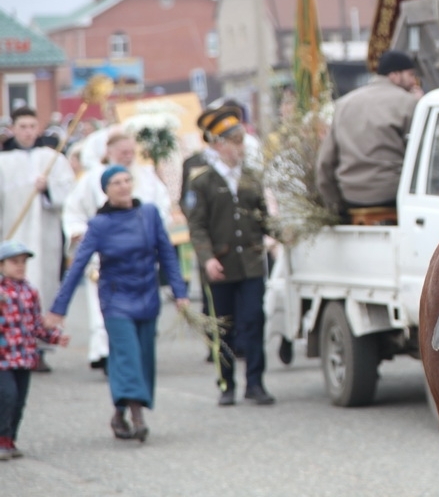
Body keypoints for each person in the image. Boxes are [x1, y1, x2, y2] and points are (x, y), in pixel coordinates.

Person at [47, 166, 188, 442]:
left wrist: (179, 292)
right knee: (127, 355)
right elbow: (77, 266)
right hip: (117, 299)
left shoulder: (149, 214)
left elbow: (167, 255)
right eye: (116, 183)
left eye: (127, 180)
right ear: (106, 190)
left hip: (147, 294)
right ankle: (137, 416)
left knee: (143, 358)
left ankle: (118, 413)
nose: (123, 186)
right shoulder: (99, 225)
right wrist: (58, 309)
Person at [185, 106, 275, 406]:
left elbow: (263, 218)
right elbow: (197, 226)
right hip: (220, 266)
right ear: (218, 144)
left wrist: (282, 233)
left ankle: (255, 383)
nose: (241, 147)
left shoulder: (251, 177)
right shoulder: (202, 181)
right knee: (222, 327)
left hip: (250, 264)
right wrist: (207, 258)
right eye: (235, 142)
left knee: (254, 321)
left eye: (241, 141)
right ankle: (226, 383)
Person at [63, 130, 173, 373]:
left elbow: (162, 208)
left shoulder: (147, 177)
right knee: (106, 311)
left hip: (141, 258)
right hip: (105, 258)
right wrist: (78, 231)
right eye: (123, 152)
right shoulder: (93, 179)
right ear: (109, 152)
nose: (128, 156)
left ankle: (135, 354)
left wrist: (155, 232)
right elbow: (73, 211)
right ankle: (105, 353)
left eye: (131, 151)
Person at [0, 106, 76, 371]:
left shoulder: (52, 158)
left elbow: (69, 192)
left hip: (45, 237)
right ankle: (11, 345)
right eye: (23, 127)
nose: (28, 132)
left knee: (41, 287)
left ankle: (39, 347)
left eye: (32, 126)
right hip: (13, 233)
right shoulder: (3, 162)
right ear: (13, 129)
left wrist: (49, 189)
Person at [316, 49, 423, 224]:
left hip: (350, 196)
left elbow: (325, 164)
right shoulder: (409, 103)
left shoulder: (343, 104)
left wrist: (335, 206)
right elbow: (422, 155)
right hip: (392, 193)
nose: (414, 81)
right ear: (394, 75)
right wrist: (422, 104)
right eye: (411, 75)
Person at [0, 240, 69, 460]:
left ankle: (11, 438)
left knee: (19, 400)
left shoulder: (30, 292)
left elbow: (36, 325)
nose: (20, 266)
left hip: (24, 356)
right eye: (14, 262)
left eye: (23, 262)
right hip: (3, 358)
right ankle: (2, 438)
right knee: (7, 396)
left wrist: (55, 337)